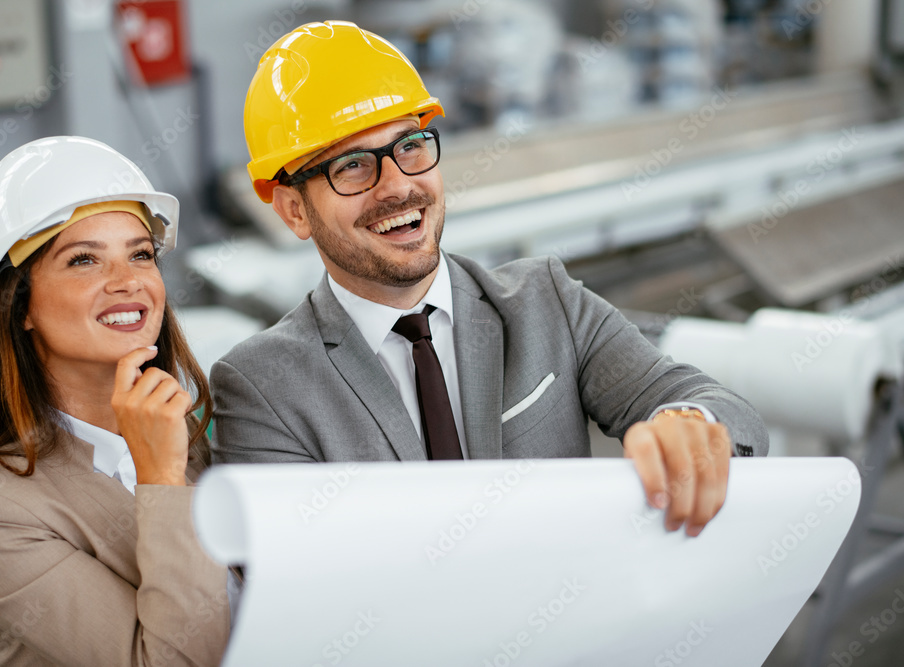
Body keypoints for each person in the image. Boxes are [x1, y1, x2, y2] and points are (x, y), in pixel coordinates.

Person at [211, 20, 769, 538]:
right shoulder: (264, 387)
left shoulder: (547, 303)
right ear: (293, 211)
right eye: (351, 165)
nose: (397, 186)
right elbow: (300, 582)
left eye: (409, 146)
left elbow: (706, 402)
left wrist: (692, 424)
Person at [0, 136, 230, 666]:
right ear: (19, 305)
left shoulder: (200, 434)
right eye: (83, 260)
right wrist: (161, 477)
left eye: (141, 254)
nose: (128, 281)